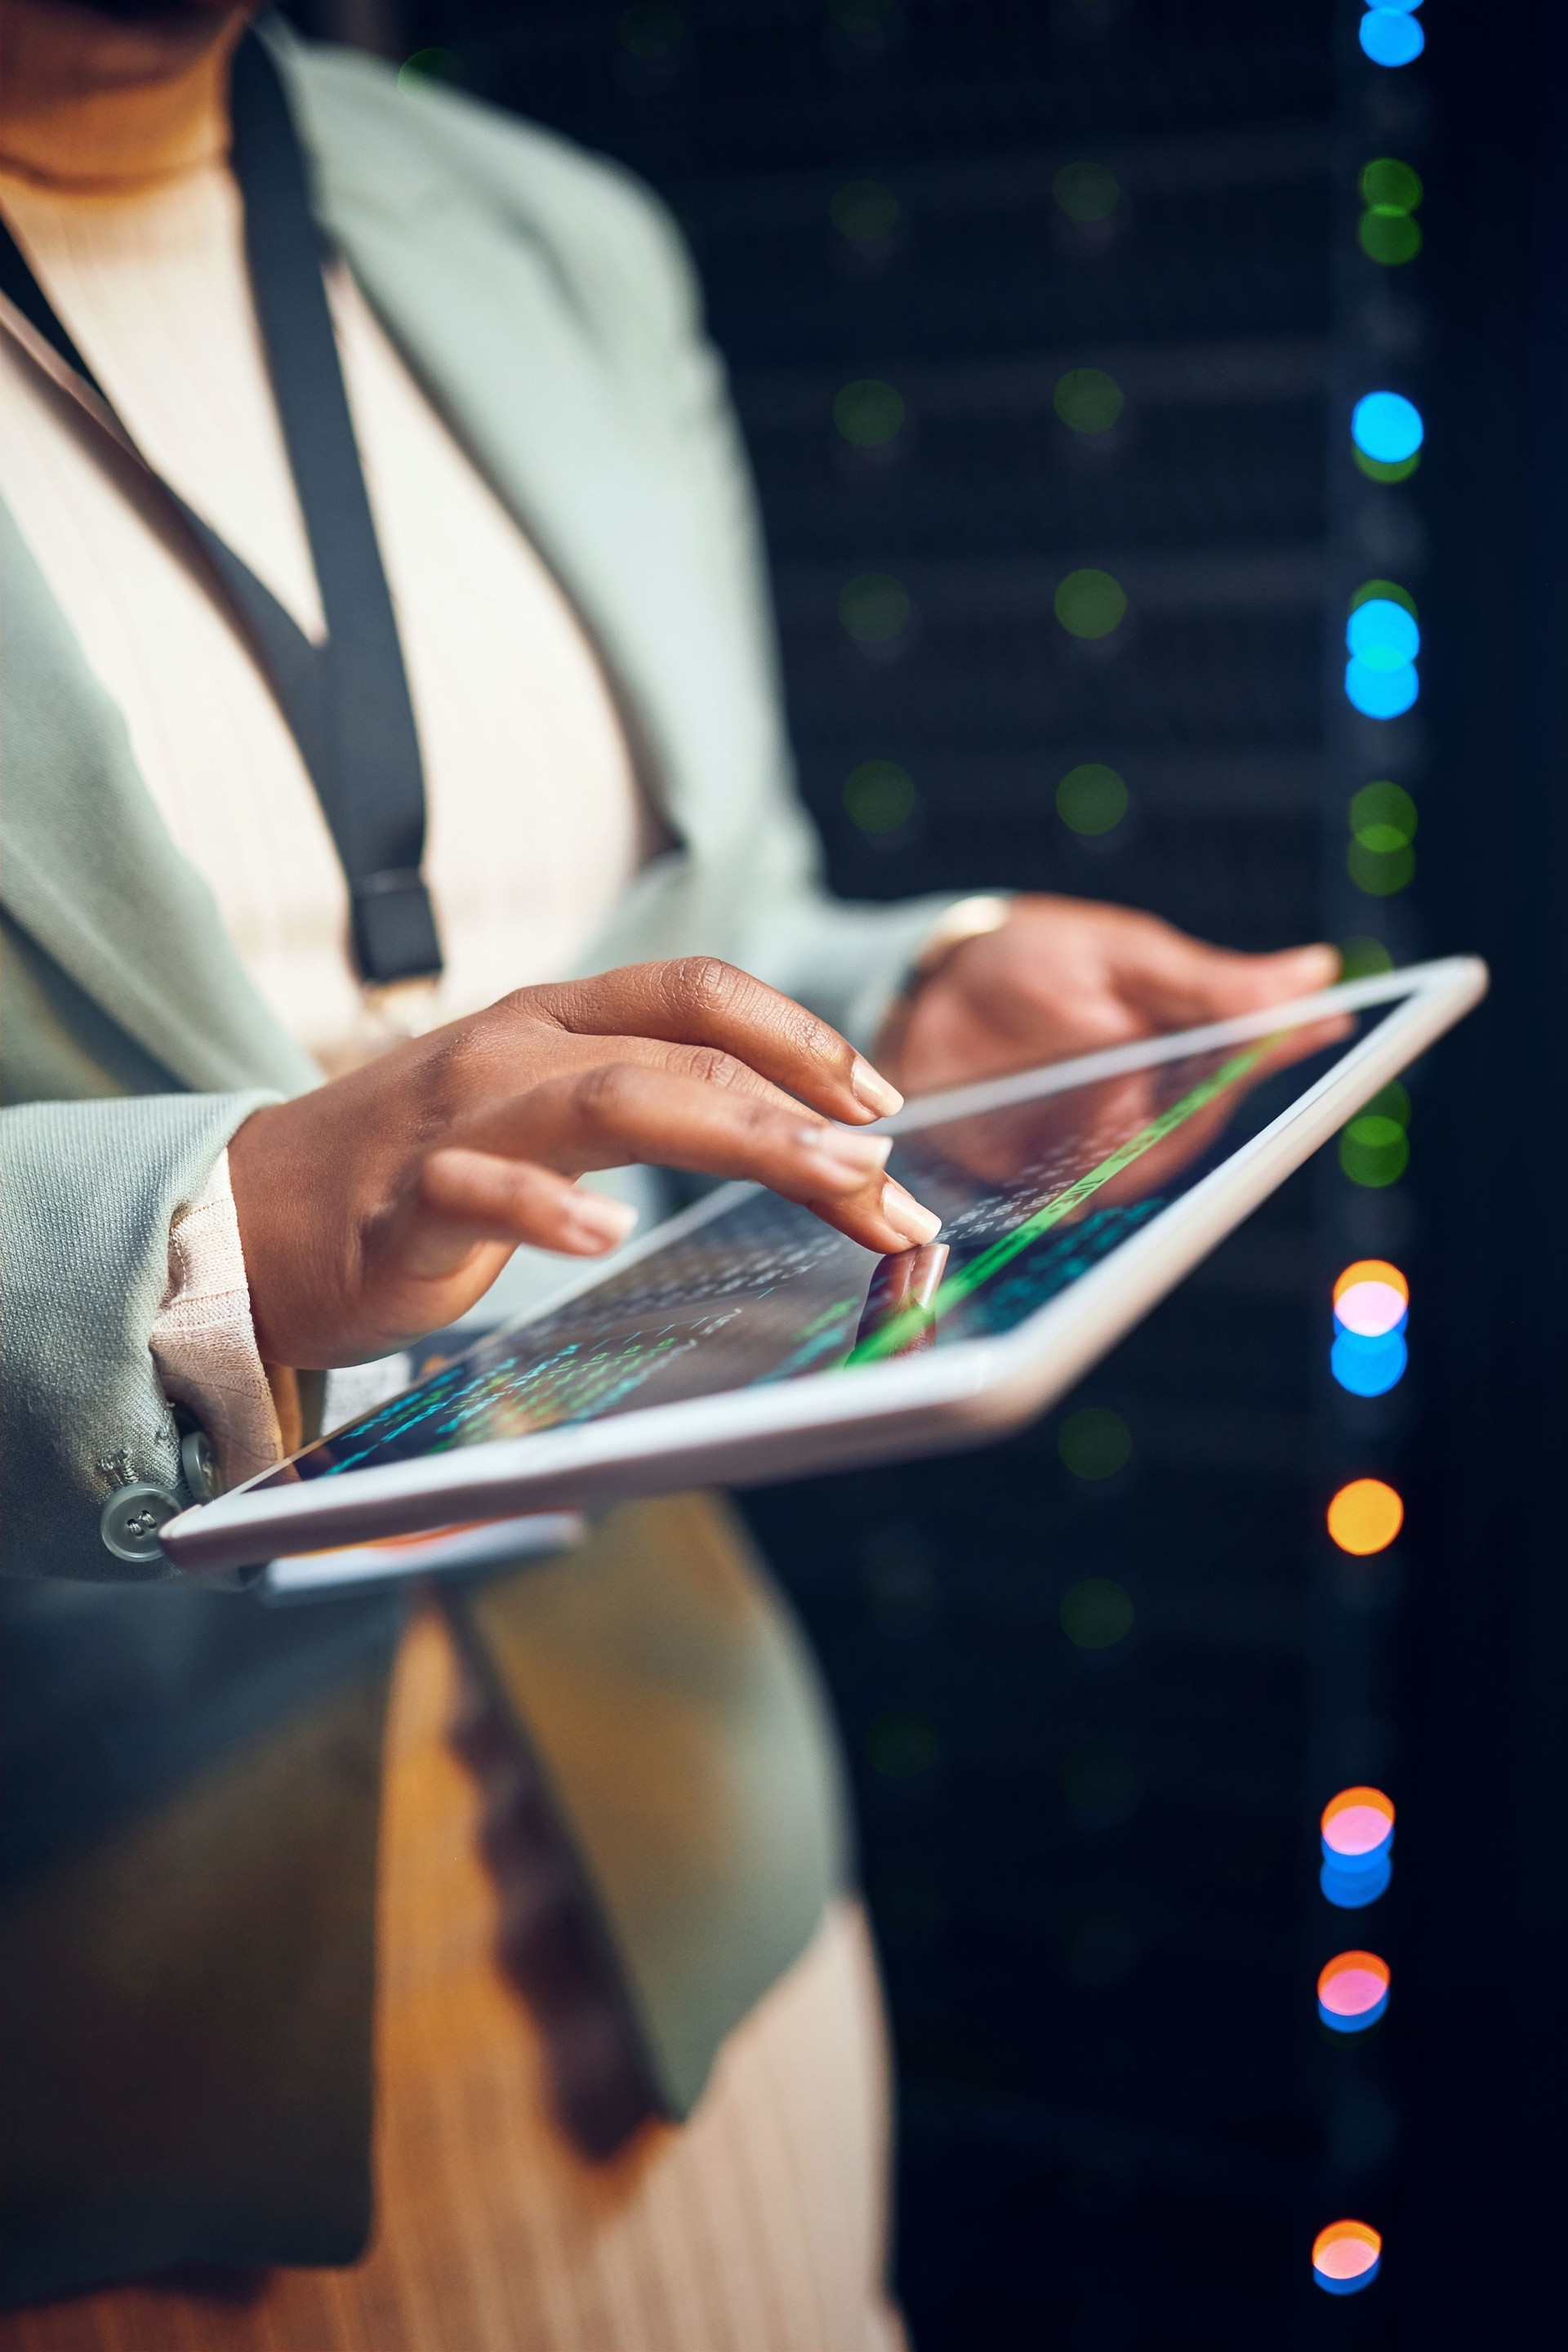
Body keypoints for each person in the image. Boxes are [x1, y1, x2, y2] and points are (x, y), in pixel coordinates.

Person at [0, 2, 1338, 2343]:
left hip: (690, 1874)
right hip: (80, 2047)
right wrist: (234, 1232)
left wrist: (907, 1011)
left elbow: (676, 938)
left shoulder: (552, 238)